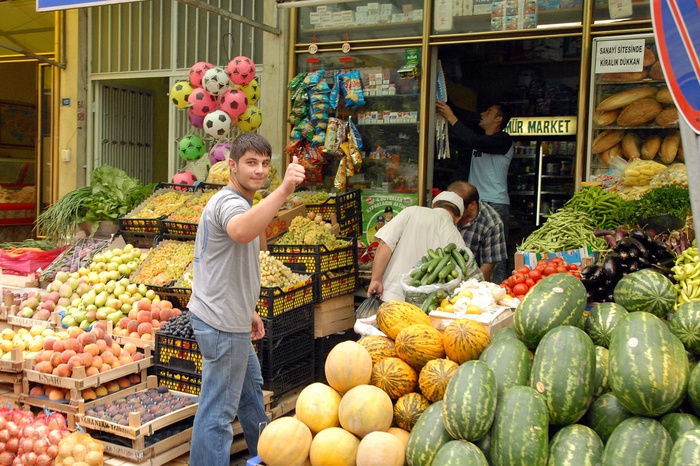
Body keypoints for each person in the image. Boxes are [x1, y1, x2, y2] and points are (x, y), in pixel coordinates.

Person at [187, 133, 306, 466]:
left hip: (231, 317)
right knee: (218, 411)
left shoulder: (245, 202)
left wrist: (249, 310)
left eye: (265, 164)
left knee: (251, 393)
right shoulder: (229, 202)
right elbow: (240, 230)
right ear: (232, 166)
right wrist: (284, 190)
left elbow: (237, 256)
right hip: (220, 322)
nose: (259, 171)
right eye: (251, 163)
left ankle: (265, 456)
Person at [436, 100, 514, 283]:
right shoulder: (480, 140)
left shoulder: (503, 140)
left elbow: (475, 140)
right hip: (472, 202)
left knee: (495, 258)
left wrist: (451, 117)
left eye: (489, 110)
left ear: (498, 119)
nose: (482, 114)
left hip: (495, 202)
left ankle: (496, 294)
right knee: (464, 252)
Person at [367, 191, 480, 302]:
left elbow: (385, 244)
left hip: (392, 295)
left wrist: (376, 279)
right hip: (425, 304)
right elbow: (458, 275)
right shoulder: (455, 236)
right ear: (458, 218)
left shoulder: (412, 211)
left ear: (433, 205)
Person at [447, 180, 507, 282]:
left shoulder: (491, 223)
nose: (453, 212)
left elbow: (488, 266)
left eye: (458, 208)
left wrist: (468, 286)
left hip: (471, 278)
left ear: (472, 205)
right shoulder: (445, 212)